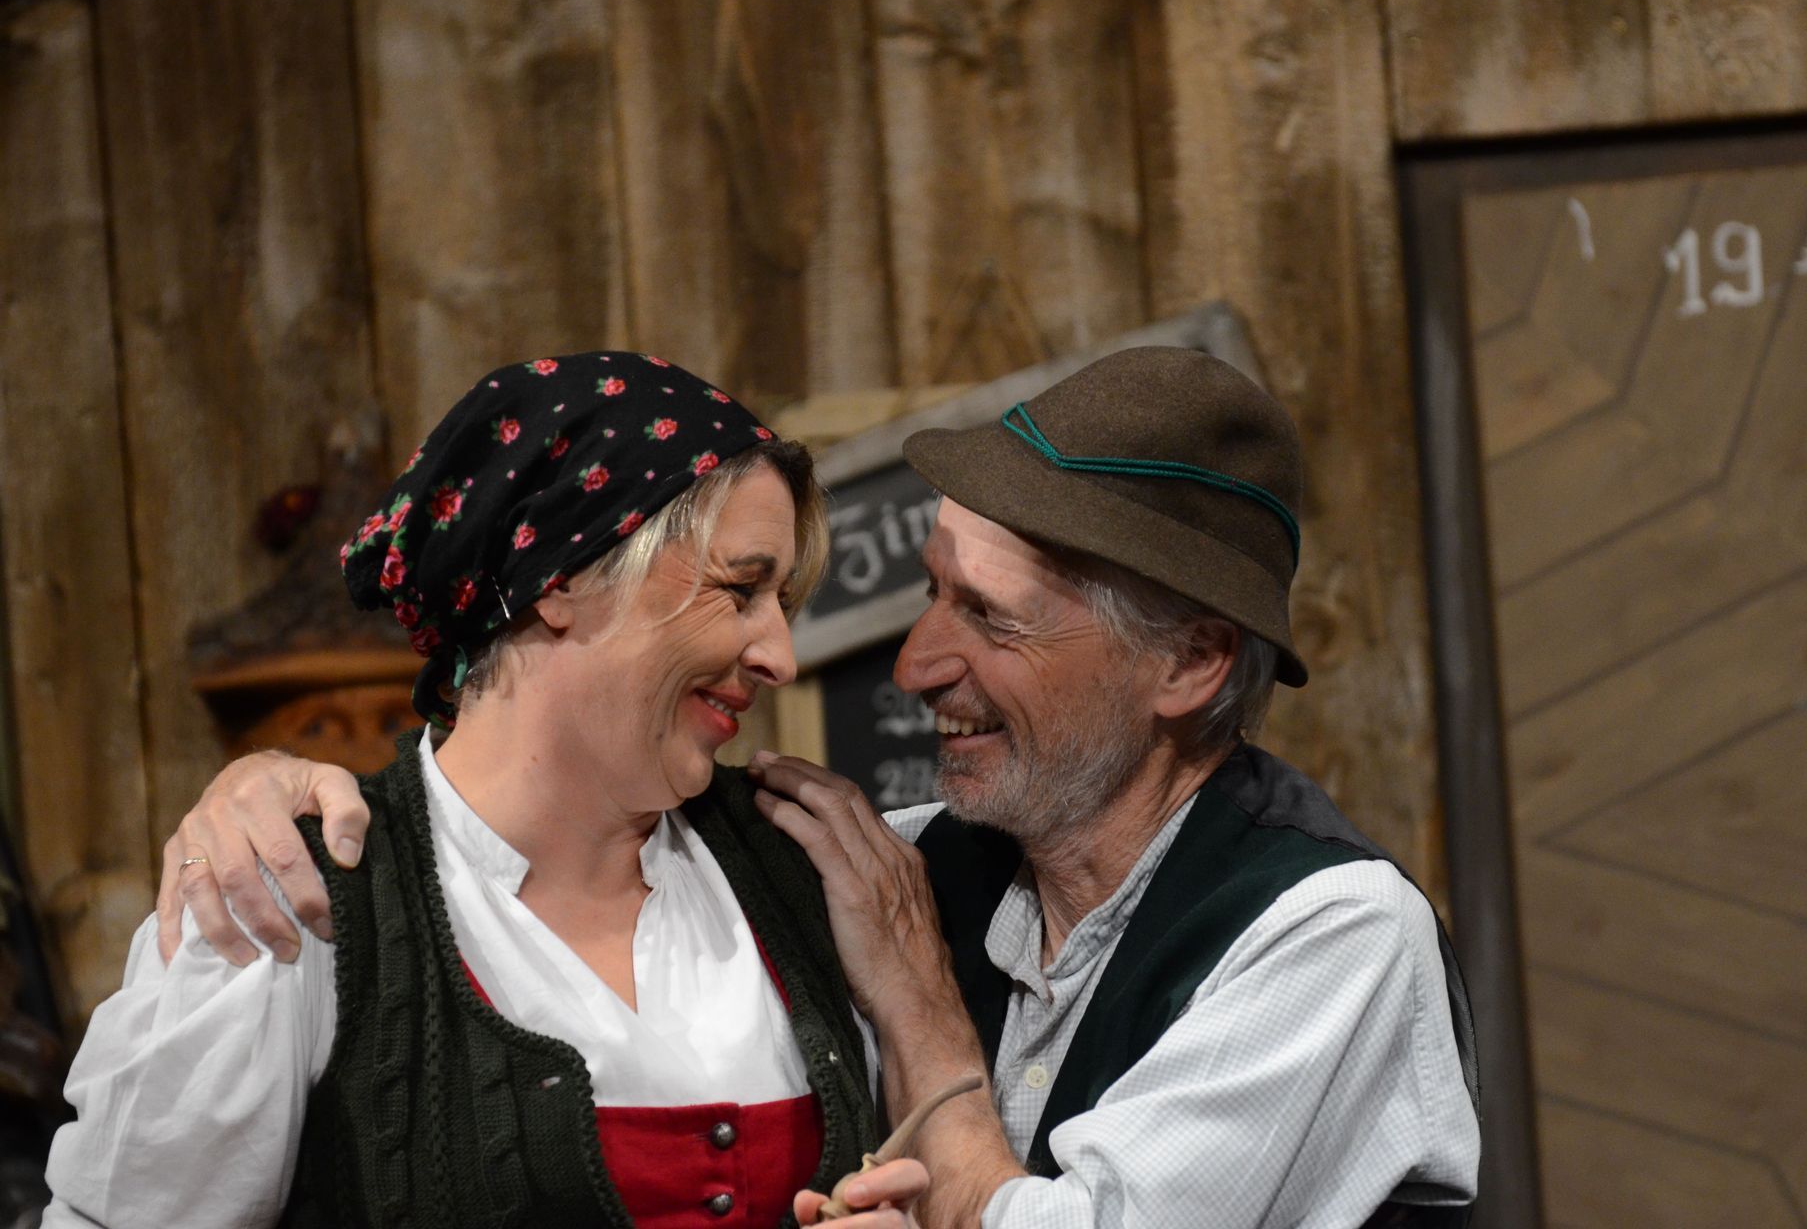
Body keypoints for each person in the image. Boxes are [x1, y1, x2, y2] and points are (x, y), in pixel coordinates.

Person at [151, 347, 1481, 1227]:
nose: (915, 664)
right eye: (928, 593)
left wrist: (928, 1026)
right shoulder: (884, 861)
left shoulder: (1329, 939)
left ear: (1189, 662)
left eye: (990, 617)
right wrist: (270, 792)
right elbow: (513, 804)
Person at [43, 352, 925, 1228]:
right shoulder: (292, 899)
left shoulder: (808, 863)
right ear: (566, 578)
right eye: (739, 590)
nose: (779, 657)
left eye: (780, 604)